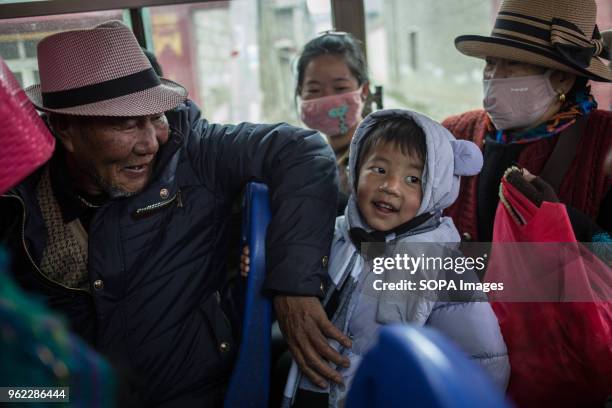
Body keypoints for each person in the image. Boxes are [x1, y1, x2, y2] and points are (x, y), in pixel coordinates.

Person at [0, 20, 348, 406]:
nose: (150, 143)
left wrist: (295, 288)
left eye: (156, 117)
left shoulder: (193, 152)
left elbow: (303, 150)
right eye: (128, 125)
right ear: (65, 128)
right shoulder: (22, 197)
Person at [243, 109, 510, 407]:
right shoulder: (330, 236)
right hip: (307, 393)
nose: (391, 186)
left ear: (435, 190)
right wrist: (260, 263)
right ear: (356, 169)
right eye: (379, 170)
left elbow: (484, 360)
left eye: (413, 179)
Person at [443, 0, 611, 243]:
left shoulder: (605, 144)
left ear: (562, 78)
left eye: (512, 63)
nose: (494, 76)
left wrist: (564, 221)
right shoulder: (454, 133)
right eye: (490, 62)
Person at [296, 32, 370, 211]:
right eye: (314, 89)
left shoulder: (377, 152)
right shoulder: (309, 159)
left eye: (340, 88)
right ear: (300, 93)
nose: (328, 98)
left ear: (364, 90)